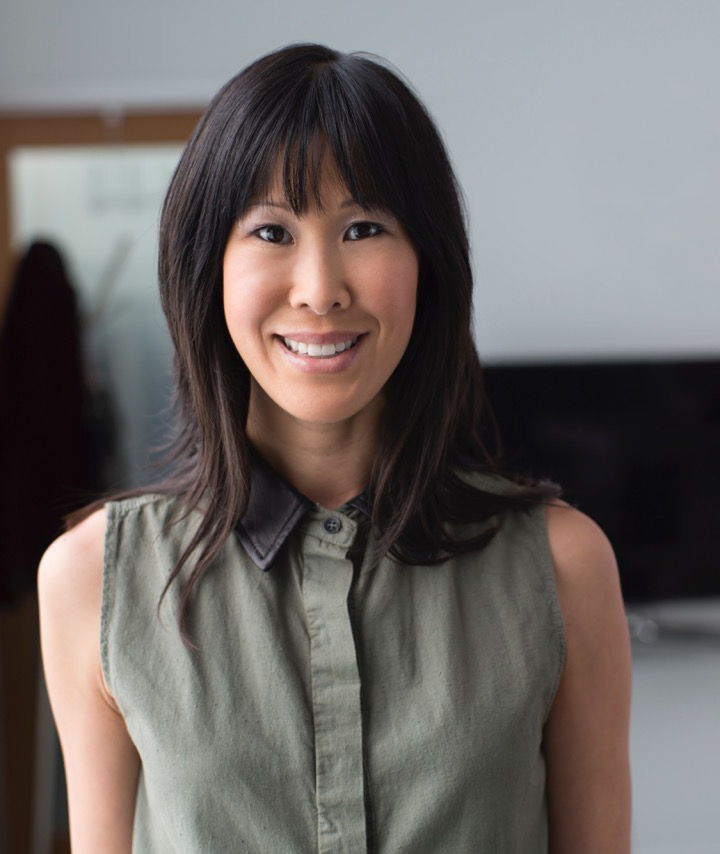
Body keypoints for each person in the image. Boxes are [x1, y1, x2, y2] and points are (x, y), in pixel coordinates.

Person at [39, 43, 631, 853]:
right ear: (207, 268)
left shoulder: (563, 568)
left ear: (430, 262)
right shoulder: (91, 580)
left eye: (364, 227)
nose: (320, 289)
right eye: (272, 231)